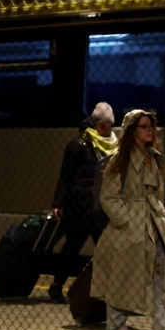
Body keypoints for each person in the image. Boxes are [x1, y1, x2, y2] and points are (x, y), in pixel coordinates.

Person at [90, 110, 165, 330]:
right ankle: (115, 326)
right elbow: (108, 197)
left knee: (161, 272)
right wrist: (126, 219)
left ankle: (164, 327)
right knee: (123, 276)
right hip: (130, 227)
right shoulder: (119, 160)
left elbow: (155, 193)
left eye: (150, 125)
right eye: (143, 126)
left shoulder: (153, 157)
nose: (149, 130)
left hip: (153, 223)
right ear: (132, 131)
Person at [48, 102, 118, 303]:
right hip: (79, 206)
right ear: (95, 124)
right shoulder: (79, 145)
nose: (107, 129)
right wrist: (58, 203)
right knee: (72, 248)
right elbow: (65, 176)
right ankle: (57, 285)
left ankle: (107, 293)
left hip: (99, 208)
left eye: (109, 125)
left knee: (104, 249)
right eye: (103, 125)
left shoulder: (113, 145)